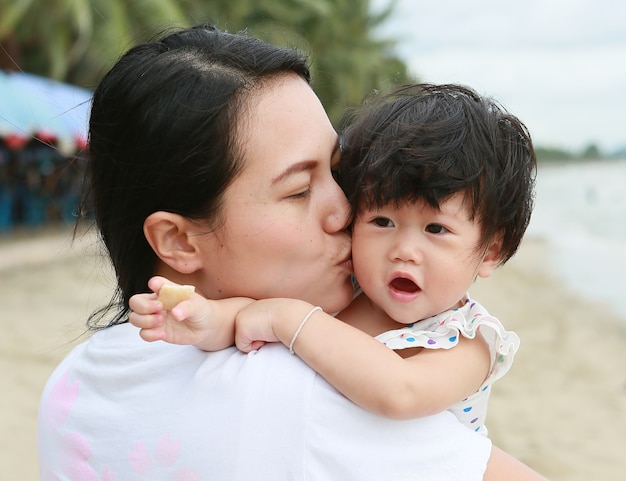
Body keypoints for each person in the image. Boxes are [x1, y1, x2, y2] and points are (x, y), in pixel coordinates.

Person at [37, 23, 548, 480]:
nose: (346, 210)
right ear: (178, 240)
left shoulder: (70, 386)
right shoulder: (302, 396)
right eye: (300, 190)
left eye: (339, 171)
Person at [129, 84, 533, 435]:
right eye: (382, 220)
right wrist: (206, 320)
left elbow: (401, 392)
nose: (403, 251)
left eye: (436, 230)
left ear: (491, 251)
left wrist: (288, 320)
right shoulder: (348, 291)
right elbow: (252, 316)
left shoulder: (469, 339)